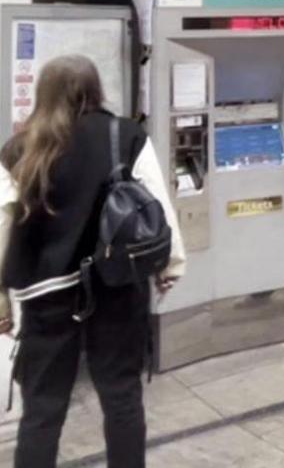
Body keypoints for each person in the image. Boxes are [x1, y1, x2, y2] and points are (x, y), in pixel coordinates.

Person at [0, 55, 185, 468]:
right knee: (121, 397)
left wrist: (1, 298)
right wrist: (169, 266)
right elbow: (157, 206)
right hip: (116, 285)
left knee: (43, 409)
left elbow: (3, 225)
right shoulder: (125, 135)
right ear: (95, 89)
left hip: (46, 295)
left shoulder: (18, 148)